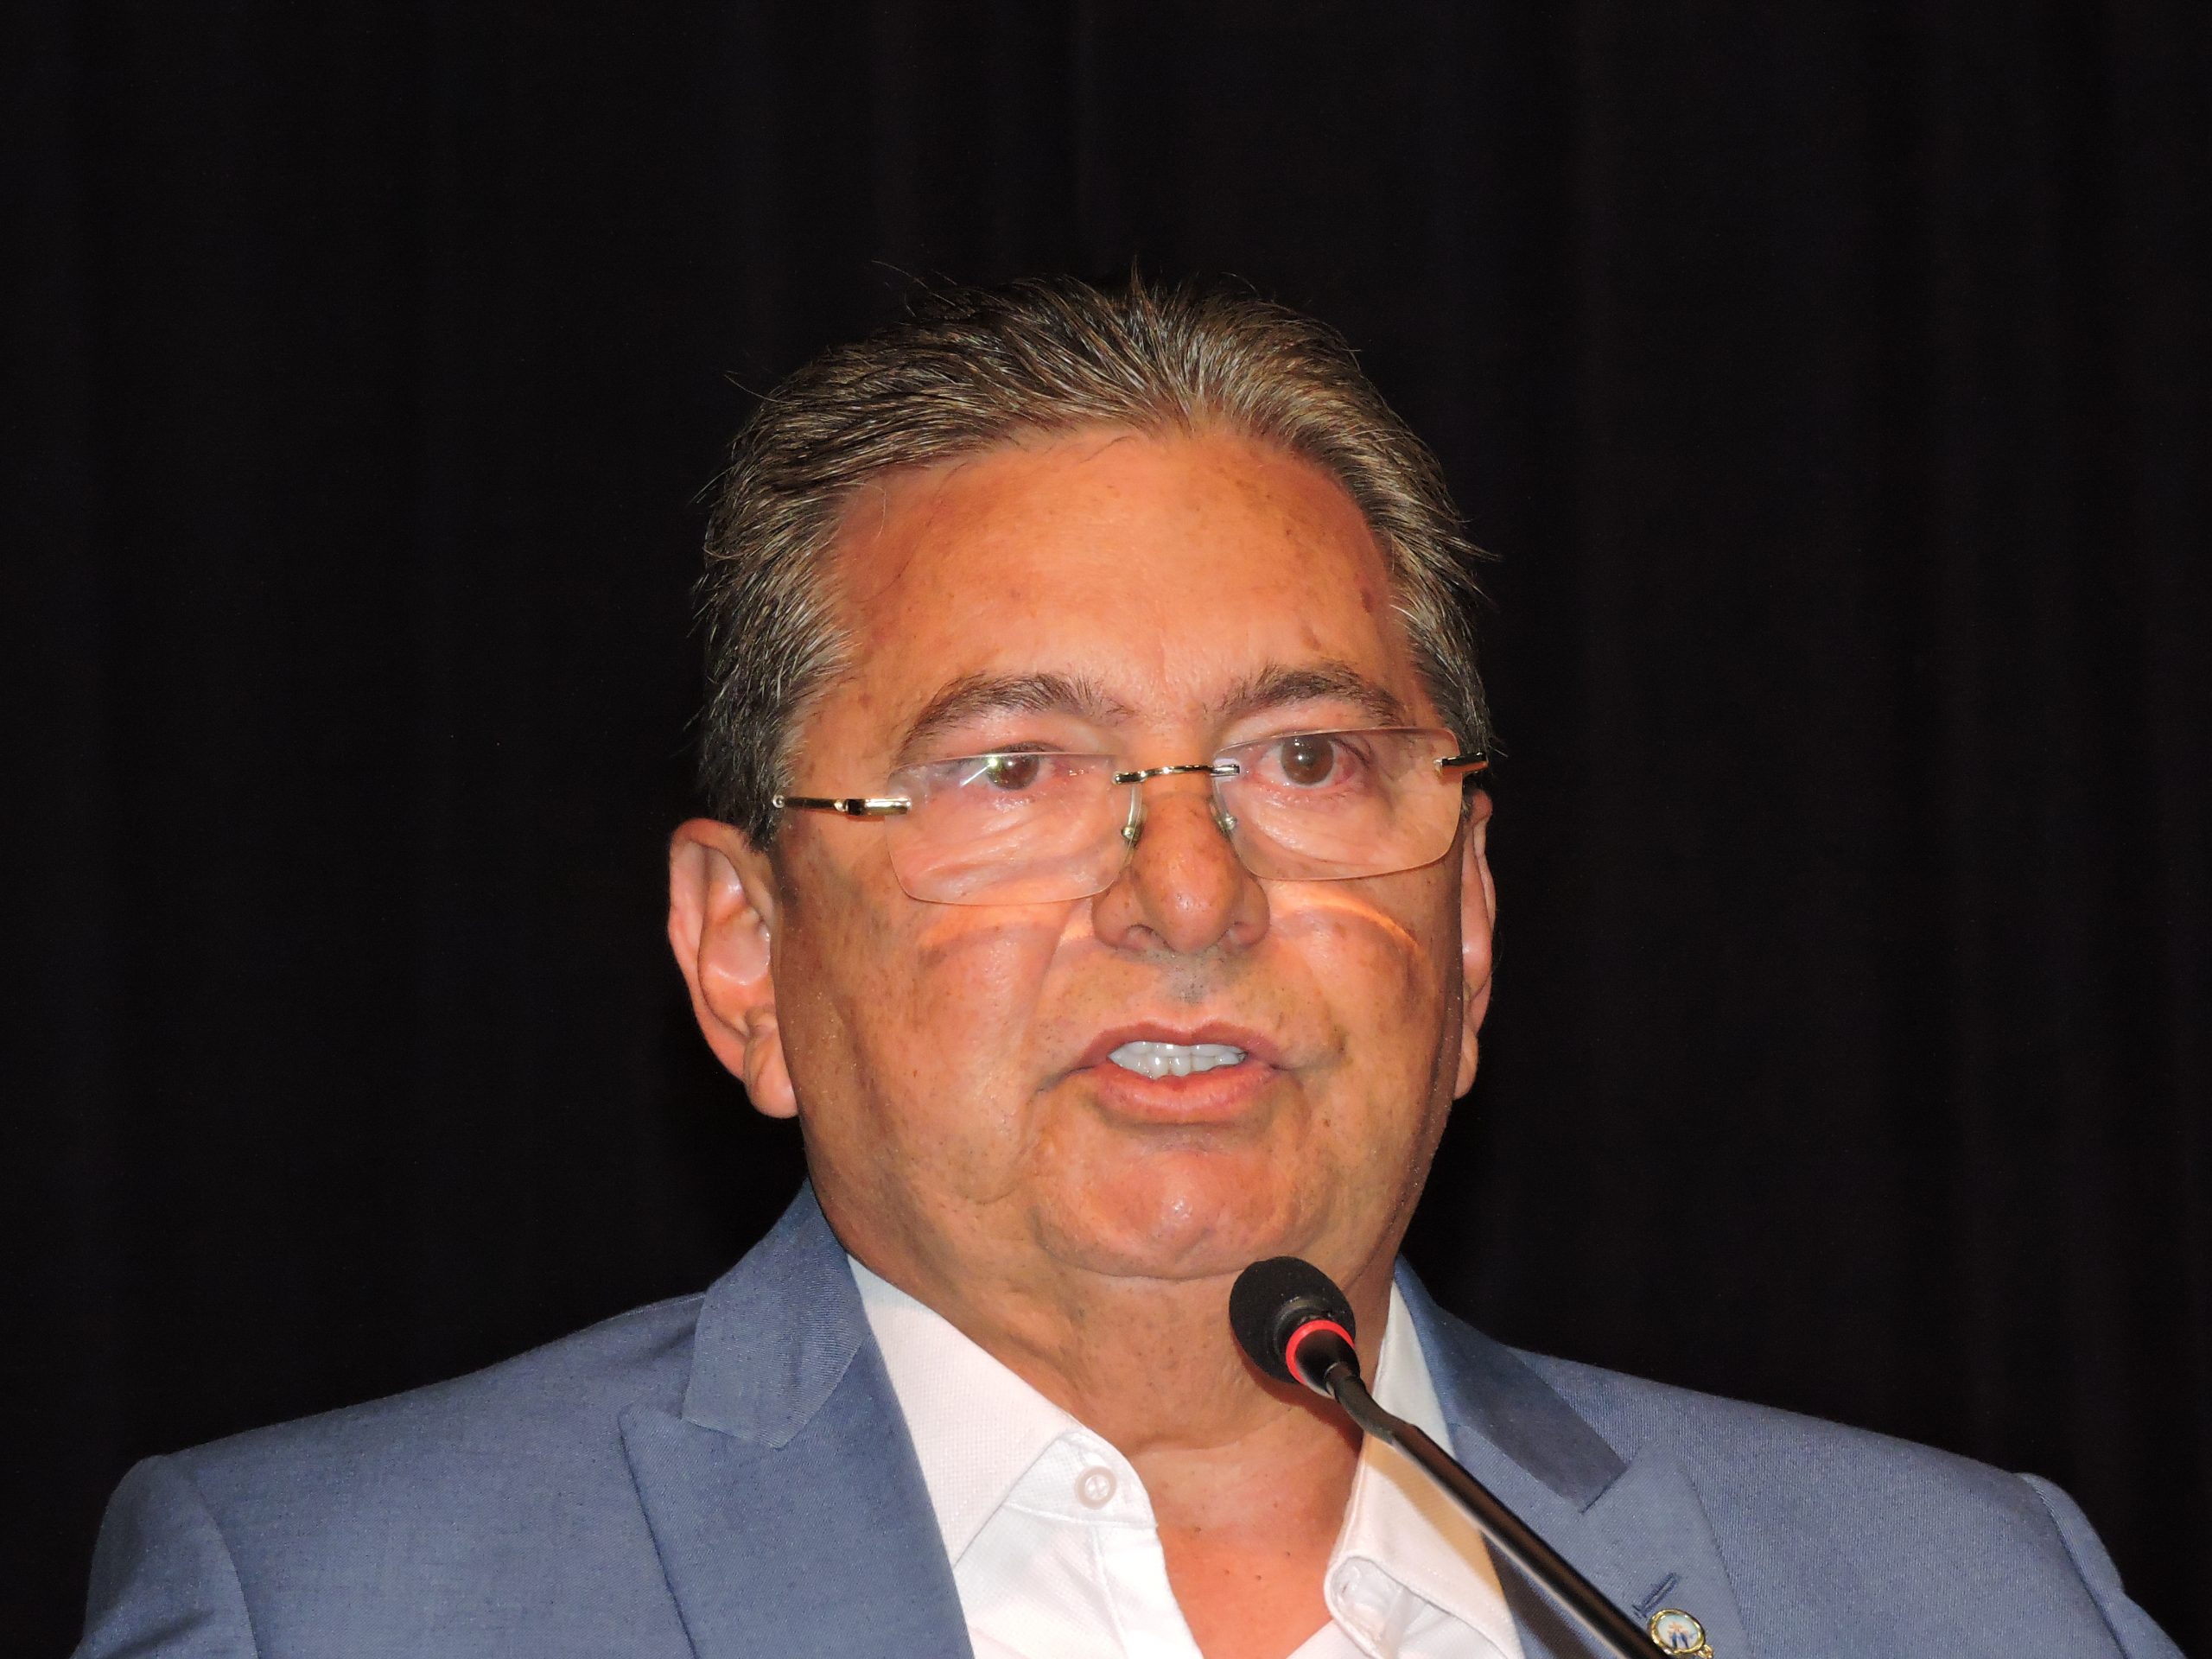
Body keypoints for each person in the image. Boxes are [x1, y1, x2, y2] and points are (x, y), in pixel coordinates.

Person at [74, 276, 2181, 1659]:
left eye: (1305, 760)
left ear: (1465, 926)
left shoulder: (1968, 1605)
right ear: (742, 955)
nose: (1187, 892)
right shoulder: (334, 1608)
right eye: (1012, 769)